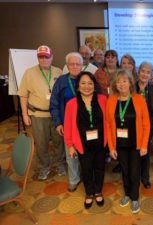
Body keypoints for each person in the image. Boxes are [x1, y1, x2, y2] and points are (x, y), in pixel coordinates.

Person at [18, 45, 65, 180]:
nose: (44, 60)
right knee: (41, 142)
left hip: (55, 115)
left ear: (52, 57)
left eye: (47, 57)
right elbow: (23, 95)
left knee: (58, 141)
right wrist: (25, 114)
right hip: (38, 115)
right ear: (38, 58)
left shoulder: (58, 71)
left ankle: (59, 164)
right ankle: (44, 167)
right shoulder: (29, 73)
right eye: (41, 57)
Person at [106, 69, 150, 214]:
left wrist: (144, 145)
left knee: (134, 171)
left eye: (124, 81)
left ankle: (135, 197)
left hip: (136, 144)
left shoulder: (139, 99)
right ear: (115, 84)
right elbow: (108, 125)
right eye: (118, 81)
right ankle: (127, 194)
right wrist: (111, 147)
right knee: (124, 171)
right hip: (120, 144)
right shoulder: (111, 100)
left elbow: (146, 124)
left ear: (130, 82)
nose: (121, 84)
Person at [64, 71, 107, 209]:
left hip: (101, 142)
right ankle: (89, 192)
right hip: (82, 144)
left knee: (100, 168)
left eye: (90, 83)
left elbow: (110, 122)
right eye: (83, 83)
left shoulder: (102, 100)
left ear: (94, 86)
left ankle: (98, 190)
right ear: (78, 86)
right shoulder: (71, 104)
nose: (87, 86)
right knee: (86, 168)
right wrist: (70, 145)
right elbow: (68, 126)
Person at [50, 52, 83, 192]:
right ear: (67, 65)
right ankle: (74, 179)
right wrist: (58, 123)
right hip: (68, 124)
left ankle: (86, 175)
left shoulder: (87, 79)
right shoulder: (61, 81)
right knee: (71, 153)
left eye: (78, 64)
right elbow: (54, 103)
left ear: (82, 66)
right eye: (71, 64)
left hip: (86, 124)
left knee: (86, 151)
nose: (75, 66)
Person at [136, 62, 153, 189]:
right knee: (134, 154)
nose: (145, 74)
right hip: (132, 128)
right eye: (143, 71)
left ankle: (145, 178)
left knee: (145, 153)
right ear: (138, 72)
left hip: (147, 128)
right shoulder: (132, 88)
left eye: (148, 72)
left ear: (151, 75)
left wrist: (147, 126)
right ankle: (134, 176)